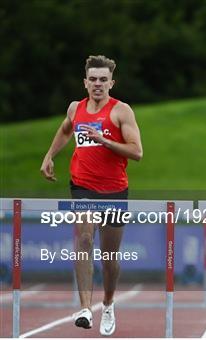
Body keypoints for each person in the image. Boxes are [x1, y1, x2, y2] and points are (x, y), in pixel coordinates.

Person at [40, 55, 143, 335]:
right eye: (93, 80)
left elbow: (137, 152)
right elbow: (64, 130)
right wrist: (50, 156)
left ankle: (107, 304)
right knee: (84, 239)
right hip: (82, 186)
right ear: (85, 82)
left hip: (114, 189)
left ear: (112, 82)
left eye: (103, 80)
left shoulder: (121, 111)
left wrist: (104, 141)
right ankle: (85, 307)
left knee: (110, 257)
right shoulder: (76, 108)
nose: (98, 84)